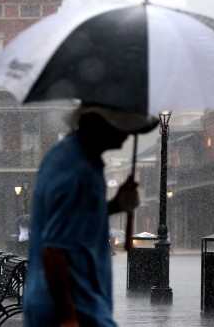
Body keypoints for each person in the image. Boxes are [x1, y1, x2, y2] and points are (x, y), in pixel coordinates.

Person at [23, 104, 158, 327]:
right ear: (101, 125)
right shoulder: (79, 170)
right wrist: (68, 318)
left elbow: (76, 218)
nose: (127, 135)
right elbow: (54, 250)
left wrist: (114, 205)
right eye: (122, 127)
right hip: (75, 307)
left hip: (72, 303)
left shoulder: (65, 157)